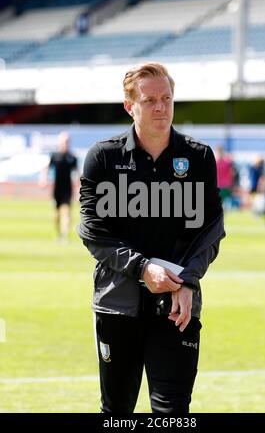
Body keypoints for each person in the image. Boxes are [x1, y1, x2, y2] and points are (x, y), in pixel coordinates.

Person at [78, 63, 225, 413]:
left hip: (177, 307)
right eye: (150, 100)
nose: (161, 107)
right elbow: (92, 230)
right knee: (116, 412)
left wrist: (187, 281)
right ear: (130, 106)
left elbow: (211, 230)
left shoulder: (198, 157)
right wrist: (143, 268)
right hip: (118, 304)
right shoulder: (103, 157)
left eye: (167, 98)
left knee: (173, 411)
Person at [41, 131, 78, 241]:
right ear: (60, 142)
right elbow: (47, 168)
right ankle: (59, 234)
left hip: (67, 188)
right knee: (56, 215)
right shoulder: (55, 156)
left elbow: (76, 173)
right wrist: (43, 179)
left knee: (66, 211)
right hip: (57, 188)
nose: (65, 143)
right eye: (63, 141)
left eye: (67, 141)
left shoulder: (72, 157)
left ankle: (65, 236)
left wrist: (80, 187)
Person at [215, 144, 234, 209]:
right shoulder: (228, 162)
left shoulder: (227, 162)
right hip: (222, 186)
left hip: (223, 186)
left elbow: (231, 174)